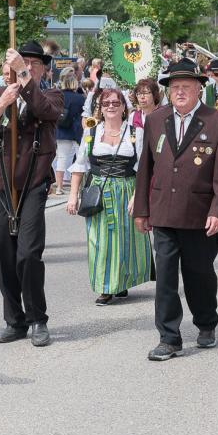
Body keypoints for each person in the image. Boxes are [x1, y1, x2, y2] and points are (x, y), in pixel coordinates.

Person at [133, 59, 218, 361]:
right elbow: (145, 168)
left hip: (199, 214)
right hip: (163, 211)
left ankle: (206, 323)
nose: (179, 92)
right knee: (165, 276)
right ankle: (169, 337)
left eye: (185, 87)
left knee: (199, 274)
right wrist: (141, 209)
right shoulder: (155, 119)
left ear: (198, 89)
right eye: (174, 87)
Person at [0, 42, 64, 347]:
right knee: (2, 256)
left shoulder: (51, 94)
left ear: (42, 69)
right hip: (0, 186)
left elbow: (45, 111)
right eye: (19, 64)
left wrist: (24, 78)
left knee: (28, 254)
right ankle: (15, 319)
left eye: (32, 65)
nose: (25, 69)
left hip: (33, 184)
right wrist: (1, 104)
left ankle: (38, 318)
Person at [66, 87, 152, 304]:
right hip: (98, 192)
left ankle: (120, 282)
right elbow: (80, 165)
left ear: (124, 107)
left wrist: (137, 196)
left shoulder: (135, 132)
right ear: (100, 108)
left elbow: (143, 167)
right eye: (106, 103)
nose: (111, 106)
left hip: (127, 189)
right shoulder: (91, 133)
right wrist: (73, 196)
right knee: (100, 239)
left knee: (125, 238)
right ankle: (106, 286)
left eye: (116, 103)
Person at [53, 70, 86, 196]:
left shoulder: (58, 95)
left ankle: (59, 187)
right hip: (77, 132)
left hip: (61, 130)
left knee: (61, 158)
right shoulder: (79, 98)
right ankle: (77, 187)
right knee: (79, 159)